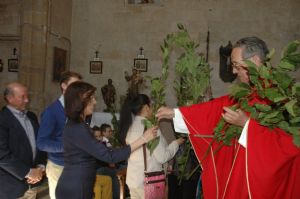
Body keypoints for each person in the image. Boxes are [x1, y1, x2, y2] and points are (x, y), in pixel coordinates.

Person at [156, 37, 300, 199]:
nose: (233, 72)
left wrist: (247, 125)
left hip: (261, 185)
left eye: (237, 65)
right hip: (239, 180)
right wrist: (176, 113)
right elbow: (217, 108)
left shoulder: (282, 96)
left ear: (254, 60)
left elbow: (289, 146)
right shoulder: (248, 92)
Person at [55, 81, 158, 199]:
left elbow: (98, 153)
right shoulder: (78, 128)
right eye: (91, 98)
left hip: (79, 183)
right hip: (76, 187)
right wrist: (143, 139)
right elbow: (109, 156)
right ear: (80, 101)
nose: (95, 101)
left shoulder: (77, 124)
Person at [119, 94, 185, 199]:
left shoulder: (129, 127)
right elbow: (162, 157)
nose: (153, 109)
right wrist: (176, 144)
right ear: (146, 107)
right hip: (148, 183)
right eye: (151, 106)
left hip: (133, 180)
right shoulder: (150, 128)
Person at [37, 71, 82, 199]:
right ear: (63, 86)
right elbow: (42, 143)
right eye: (75, 85)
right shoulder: (51, 111)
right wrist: (68, 146)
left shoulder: (76, 109)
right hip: (58, 166)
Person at [0, 82, 47, 199]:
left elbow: (39, 144)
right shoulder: (2, 120)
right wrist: (28, 172)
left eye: (27, 96)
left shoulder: (31, 116)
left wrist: (40, 166)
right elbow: (2, 155)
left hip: (33, 182)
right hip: (10, 186)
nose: (27, 100)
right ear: (9, 98)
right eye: (23, 97)